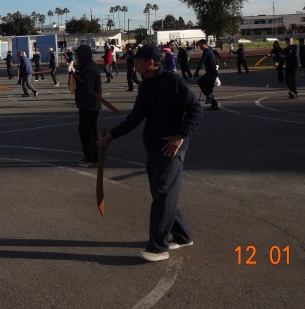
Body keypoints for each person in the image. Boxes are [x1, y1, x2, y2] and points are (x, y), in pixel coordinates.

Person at [98, 44, 203, 262]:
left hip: (172, 147)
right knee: (161, 194)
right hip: (154, 147)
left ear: (151, 63)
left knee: (164, 193)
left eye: (138, 61)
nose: (135, 64)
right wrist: (112, 135)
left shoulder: (173, 82)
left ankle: (157, 247)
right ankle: (183, 235)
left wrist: (181, 135)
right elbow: (135, 117)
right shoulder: (146, 85)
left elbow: (195, 109)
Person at [73, 45, 102, 167]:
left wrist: (77, 82)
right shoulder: (85, 67)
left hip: (90, 105)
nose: (76, 58)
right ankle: (88, 156)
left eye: (77, 55)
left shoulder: (89, 69)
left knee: (89, 132)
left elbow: (87, 89)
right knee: (84, 131)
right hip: (86, 105)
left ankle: (93, 157)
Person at [194, 40, 220, 110]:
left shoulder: (206, 51)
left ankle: (210, 98)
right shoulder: (209, 50)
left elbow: (201, 61)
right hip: (212, 72)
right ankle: (214, 104)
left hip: (211, 72)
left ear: (205, 44)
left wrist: (197, 71)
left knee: (201, 82)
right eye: (199, 45)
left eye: (201, 45)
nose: (200, 47)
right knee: (209, 88)